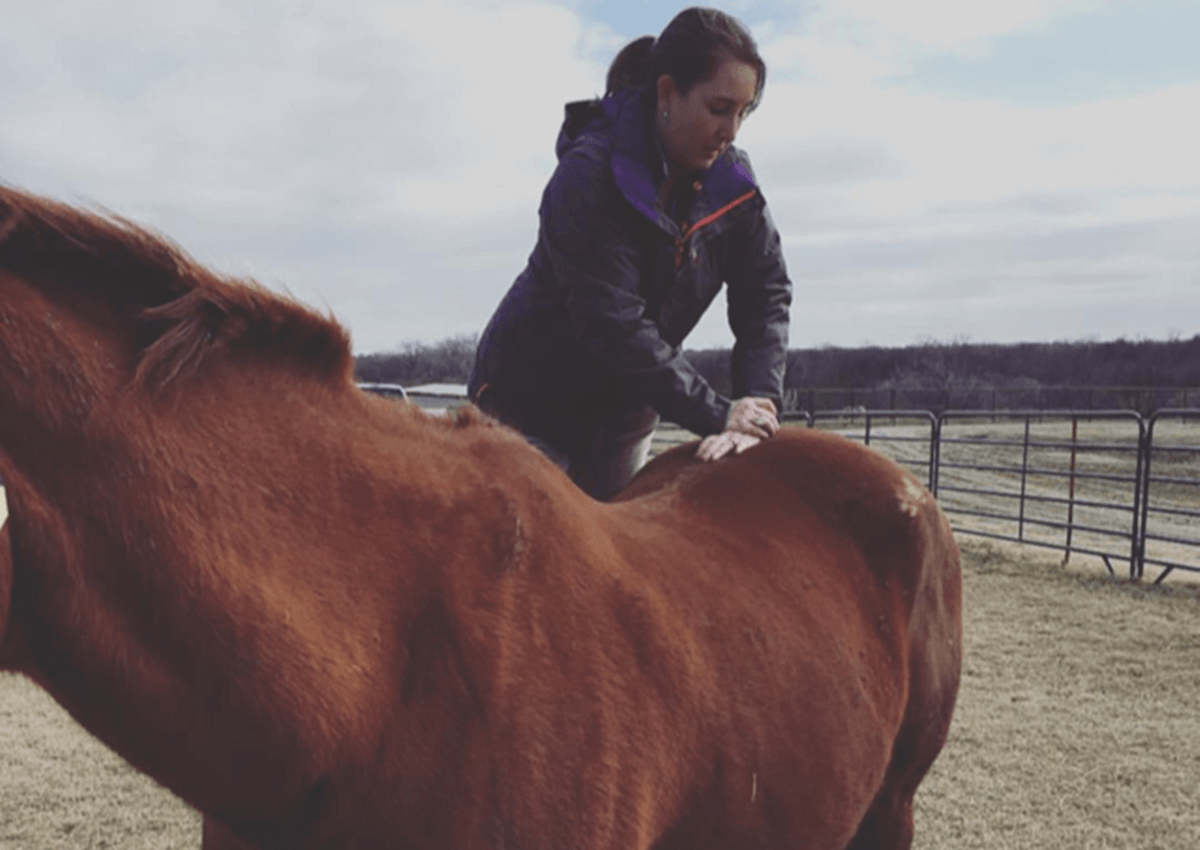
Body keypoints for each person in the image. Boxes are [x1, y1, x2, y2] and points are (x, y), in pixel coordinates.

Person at [469, 7, 792, 500]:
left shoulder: (734, 182)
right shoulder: (588, 175)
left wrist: (755, 402)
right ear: (667, 93)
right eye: (718, 108)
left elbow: (764, 294)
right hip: (530, 408)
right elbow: (612, 323)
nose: (732, 130)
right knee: (530, 556)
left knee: (613, 559)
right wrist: (714, 412)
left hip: (625, 414)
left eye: (743, 112)